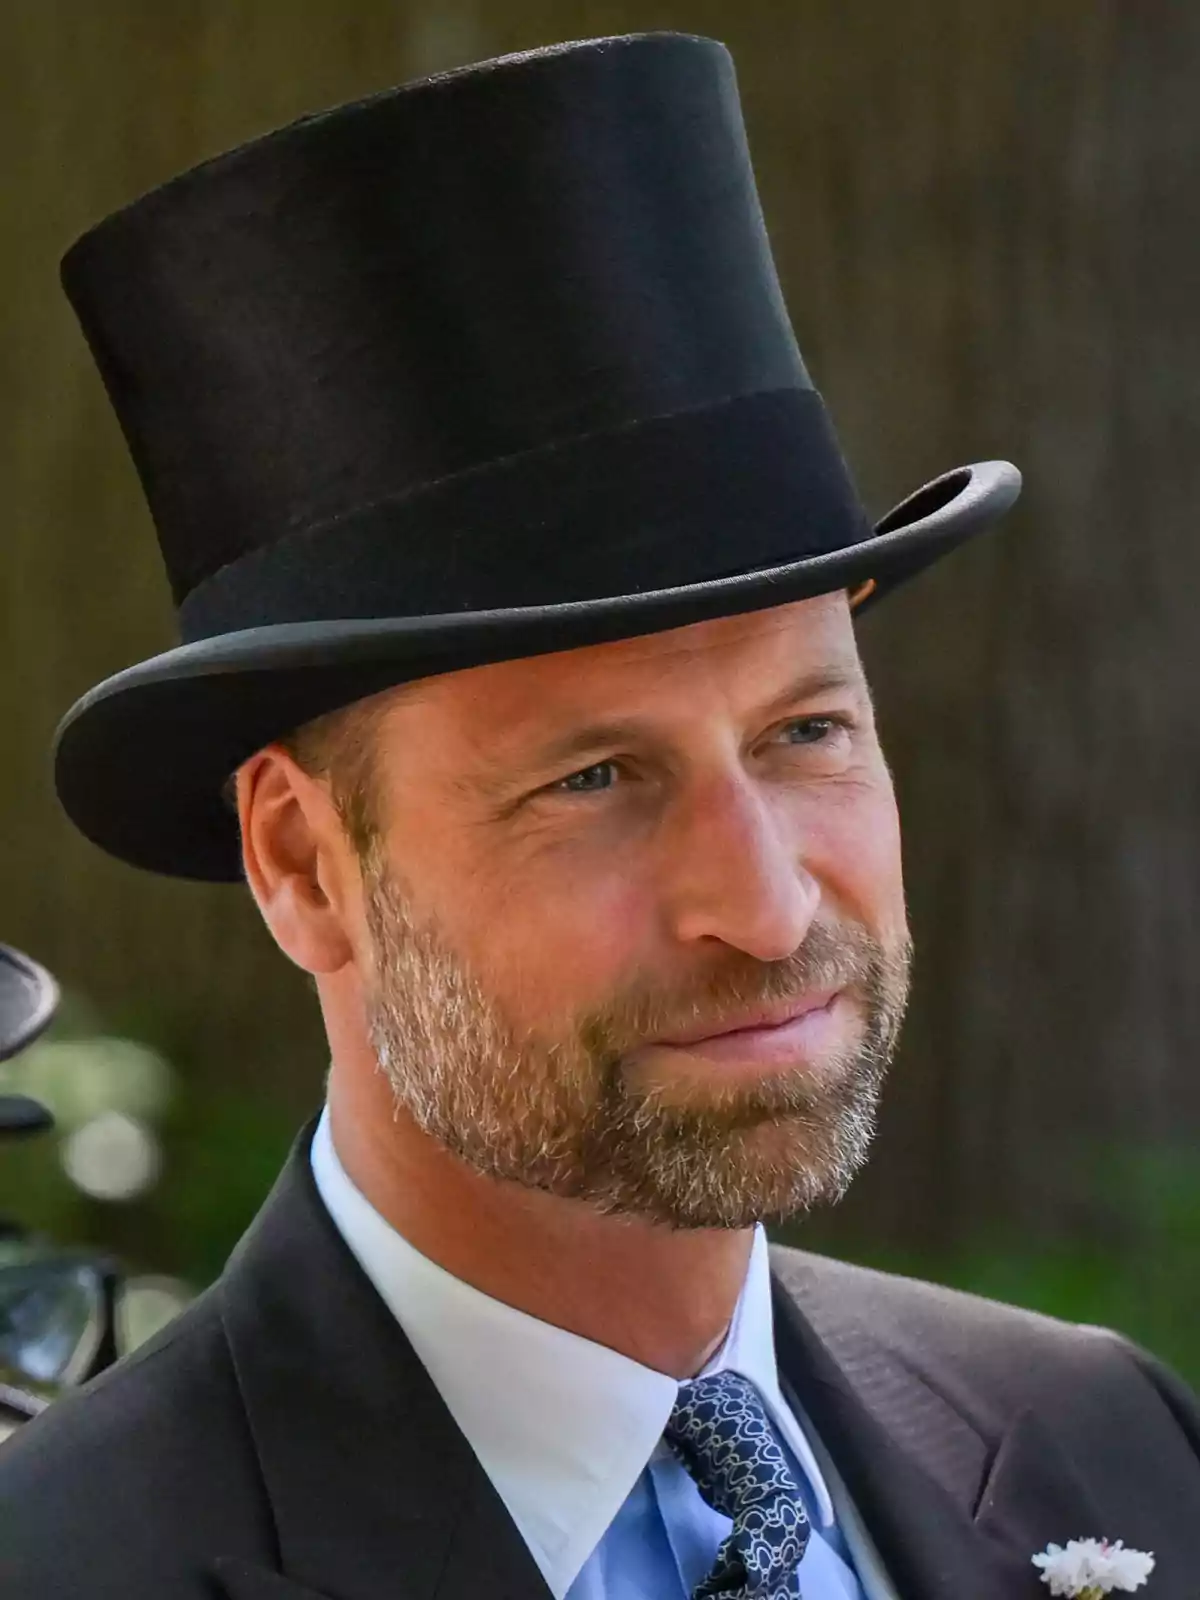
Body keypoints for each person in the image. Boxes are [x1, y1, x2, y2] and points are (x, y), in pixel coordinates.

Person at [2, 32, 1195, 1600]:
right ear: (301, 862)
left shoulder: (1107, 1444)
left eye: (808, 730)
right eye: (594, 780)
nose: (765, 908)